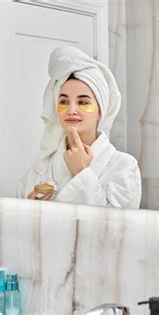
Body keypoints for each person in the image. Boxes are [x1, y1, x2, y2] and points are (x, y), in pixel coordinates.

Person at [18, 46, 141, 209]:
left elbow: (116, 229)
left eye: (83, 102)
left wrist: (82, 173)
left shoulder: (124, 166)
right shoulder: (41, 168)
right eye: (63, 102)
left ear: (100, 111)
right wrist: (29, 210)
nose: (71, 110)